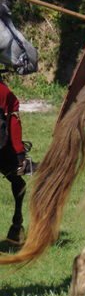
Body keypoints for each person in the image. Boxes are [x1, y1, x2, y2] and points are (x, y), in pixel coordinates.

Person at [0, 77, 29, 243]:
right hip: (3, 151)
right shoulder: (5, 92)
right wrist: (19, 156)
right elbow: (13, 123)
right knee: (19, 183)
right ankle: (17, 224)